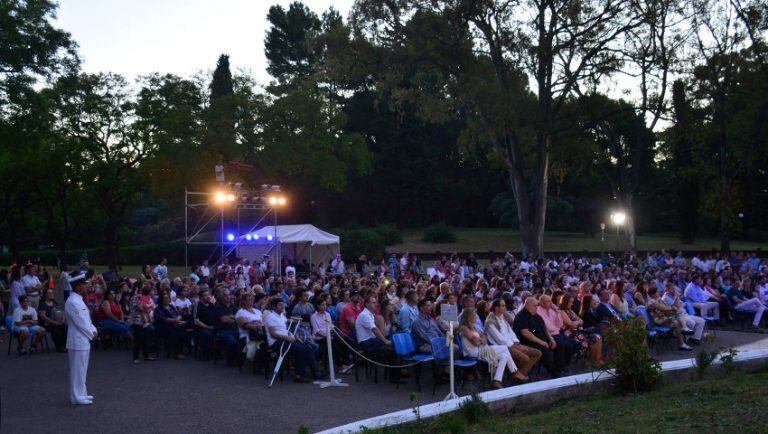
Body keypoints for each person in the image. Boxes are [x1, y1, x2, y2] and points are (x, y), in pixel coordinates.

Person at [460, 308, 526, 388]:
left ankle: (497, 380)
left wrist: (479, 340)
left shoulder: (475, 327)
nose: (476, 317)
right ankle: (515, 372)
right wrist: (480, 340)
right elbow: (475, 343)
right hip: (473, 352)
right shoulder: (464, 328)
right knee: (505, 348)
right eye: (474, 315)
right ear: (468, 316)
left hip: (482, 350)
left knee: (504, 355)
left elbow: (484, 339)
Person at [266, 298, 321, 382]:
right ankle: (299, 375)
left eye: (283, 304)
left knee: (308, 347)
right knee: (300, 349)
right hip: (276, 342)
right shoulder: (271, 317)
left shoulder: (281, 315)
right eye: (280, 305)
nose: (282, 306)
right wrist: (287, 337)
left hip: (285, 340)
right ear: (273, 307)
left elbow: (285, 321)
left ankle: (316, 372)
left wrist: (292, 321)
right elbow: (273, 334)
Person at [485, 298, 542, 376]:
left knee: (537, 353)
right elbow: (500, 340)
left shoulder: (503, 317)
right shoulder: (490, 322)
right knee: (525, 358)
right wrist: (516, 347)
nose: (505, 307)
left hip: (513, 344)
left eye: (505, 305)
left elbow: (511, 333)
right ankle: (516, 375)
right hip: (504, 347)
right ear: (496, 308)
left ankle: (520, 374)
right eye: (503, 306)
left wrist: (517, 343)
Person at [65, 273, 98, 405]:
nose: (87, 286)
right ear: (78, 287)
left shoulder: (78, 300)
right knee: (77, 369)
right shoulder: (73, 301)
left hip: (82, 339)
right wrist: (92, 333)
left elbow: (86, 320)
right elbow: (80, 322)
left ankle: (82, 393)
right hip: (77, 339)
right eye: (85, 285)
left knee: (82, 368)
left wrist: (93, 329)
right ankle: (76, 396)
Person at [355, 296, 402, 384]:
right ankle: (395, 375)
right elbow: (375, 330)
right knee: (392, 347)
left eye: (375, 302)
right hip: (366, 343)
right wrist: (385, 341)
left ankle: (395, 373)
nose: (375, 304)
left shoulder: (371, 314)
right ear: (366, 304)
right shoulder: (364, 315)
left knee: (395, 344)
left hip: (372, 340)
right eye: (373, 302)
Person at [513, 298, 564, 378]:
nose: (537, 307)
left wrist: (551, 339)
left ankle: (560, 368)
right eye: (535, 306)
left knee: (560, 345)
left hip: (543, 339)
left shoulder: (537, 316)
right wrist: (542, 342)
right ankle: (553, 373)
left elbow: (545, 329)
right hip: (529, 342)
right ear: (528, 306)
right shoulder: (521, 316)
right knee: (545, 351)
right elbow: (526, 334)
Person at [557, 294, 603, 365]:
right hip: (569, 335)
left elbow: (581, 321)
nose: (571, 304)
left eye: (572, 302)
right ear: (565, 302)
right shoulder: (561, 312)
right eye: (570, 302)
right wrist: (576, 322)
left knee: (598, 337)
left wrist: (576, 322)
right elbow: (571, 324)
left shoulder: (570, 311)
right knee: (593, 339)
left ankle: (595, 359)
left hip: (577, 332)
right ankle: (592, 361)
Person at [154, 292, 189, 359]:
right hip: (165, 326)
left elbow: (178, 314)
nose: (167, 299)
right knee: (177, 333)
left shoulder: (171, 306)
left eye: (168, 298)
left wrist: (178, 319)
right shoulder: (158, 308)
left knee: (183, 331)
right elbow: (162, 319)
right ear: (161, 299)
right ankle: (177, 353)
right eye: (165, 298)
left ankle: (180, 349)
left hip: (175, 324)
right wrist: (175, 320)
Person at [129, 285, 156, 364]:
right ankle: (135, 357)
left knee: (145, 339)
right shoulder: (136, 297)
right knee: (138, 339)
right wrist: (149, 306)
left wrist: (149, 306)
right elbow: (141, 308)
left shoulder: (145, 298)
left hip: (144, 321)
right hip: (136, 321)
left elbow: (150, 307)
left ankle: (146, 355)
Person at [214, 290, 239, 365]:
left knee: (245, 338)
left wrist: (232, 317)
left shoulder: (233, 307)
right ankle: (231, 360)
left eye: (229, 295)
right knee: (232, 342)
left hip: (234, 329)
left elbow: (239, 318)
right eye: (226, 295)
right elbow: (224, 320)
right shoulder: (218, 307)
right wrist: (232, 318)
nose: (228, 297)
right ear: (221, 297)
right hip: (223, 331)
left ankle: (239, 359)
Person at [193, 288, 217, 360]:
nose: (208, 296)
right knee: (207, 334)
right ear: (201, 297)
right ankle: (203, 353)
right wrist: (207, 327)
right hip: (201, 328)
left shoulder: (211, 305)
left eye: (208, 294)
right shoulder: (198, 306)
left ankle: (214, 352)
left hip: (212, 326)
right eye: (205, 295)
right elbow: (196, 321)